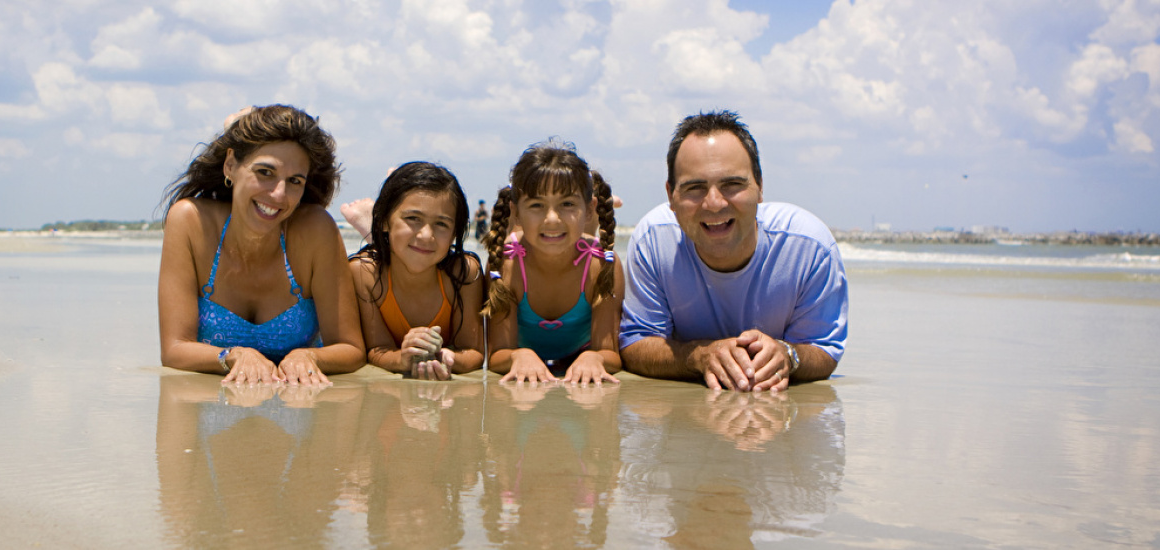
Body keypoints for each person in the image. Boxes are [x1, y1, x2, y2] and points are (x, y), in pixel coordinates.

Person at [619, 111, 847, 392]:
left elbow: (824, 349)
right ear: (671, 195)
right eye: (695, 188)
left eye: (732, 185)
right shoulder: (654, 241)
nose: (714, 203)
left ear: (760, 187)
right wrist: (699, 356)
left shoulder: (809, 248)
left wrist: (788, 356)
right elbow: (635, 343)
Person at [158, 104, 365, 385]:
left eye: (294, 181)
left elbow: (351, 349)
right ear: (230, 165)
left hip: (299, 409)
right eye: (265, 172)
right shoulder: (190, 221)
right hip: (213, 408)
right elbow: (174, 349)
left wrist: (311, 357)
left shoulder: (315, 229)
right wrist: (232, 356)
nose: (278, 195)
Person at [483, 140, 624, 384]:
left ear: (590, 209)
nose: (551, 219)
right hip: (525, 365)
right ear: (515, 212)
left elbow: (609, 353)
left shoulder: (600, 264)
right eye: (536, 205)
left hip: (579, 355)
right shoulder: (507, 263)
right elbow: (497, 356)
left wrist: (595, 358)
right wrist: (518, 355)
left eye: (567, 204)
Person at [348, 161, 486, 380]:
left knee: (406, 247)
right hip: (384, 256)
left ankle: (378, 231)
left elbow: (473, 352)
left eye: (441, 224)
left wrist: (448, 357)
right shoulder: (364, 273)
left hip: (400, 248)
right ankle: (373, 231)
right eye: (413, 218)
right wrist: (403, 358)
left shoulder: (464, 272)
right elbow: (376, 349)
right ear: (384, 220)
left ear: (454, 234)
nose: (426, 235)